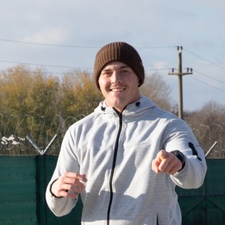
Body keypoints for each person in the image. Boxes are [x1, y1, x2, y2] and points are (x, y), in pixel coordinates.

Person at [46, 42, 207, 225]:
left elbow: (196, 176)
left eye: (124, 71)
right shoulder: (79, 132)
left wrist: (179, 162)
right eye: (107, 73)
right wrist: (55, 190)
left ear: (138, 77)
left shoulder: (168, 125)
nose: (116, 79)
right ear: (98, 81)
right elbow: (59, 209)